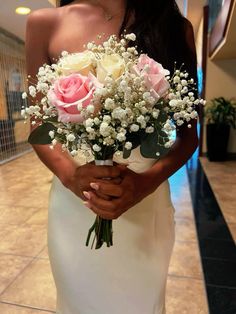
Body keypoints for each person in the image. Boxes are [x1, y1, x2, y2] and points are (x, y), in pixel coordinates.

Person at [25, 0, 198, 313]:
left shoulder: (172, 26)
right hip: (75, 205)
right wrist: (70, 176)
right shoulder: (44, 23)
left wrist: (144, 184)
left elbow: (189, 137)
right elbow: (40, 124)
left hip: (146, 204)